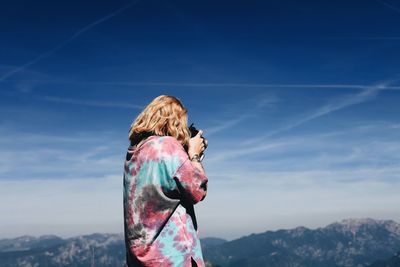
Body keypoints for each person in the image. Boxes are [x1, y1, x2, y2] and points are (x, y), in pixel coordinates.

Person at [123, 95, 209, 267]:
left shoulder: (133, 154)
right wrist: (194, 155)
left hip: (140, 259)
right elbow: (198, 190)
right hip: (171, 258)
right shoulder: (168, 146)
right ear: (173, 121)